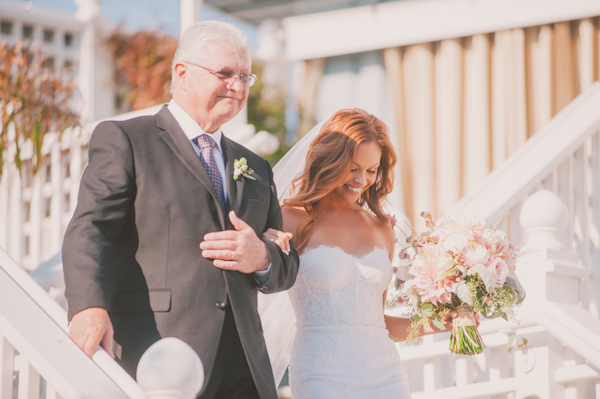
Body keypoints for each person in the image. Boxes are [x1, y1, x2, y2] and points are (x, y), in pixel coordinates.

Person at [62, 20, 299, 399]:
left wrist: (262, 258)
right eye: (224, 73)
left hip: (243, 367)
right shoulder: (126, 139)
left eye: (244, 76)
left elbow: (286, 266)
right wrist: (88, 306)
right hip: (157, 353)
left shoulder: (257, 167)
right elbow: (92, 229)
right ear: (182, 73)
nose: (237, 87)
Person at [262, 108, 452, 398]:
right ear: (330, 161)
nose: (361, 179)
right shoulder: (290, 219)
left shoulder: (383, 228)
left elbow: (380, 324)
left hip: (387, 376)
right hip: (320, 373)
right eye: (352, 167)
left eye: (371, 170)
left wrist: (439, 323)